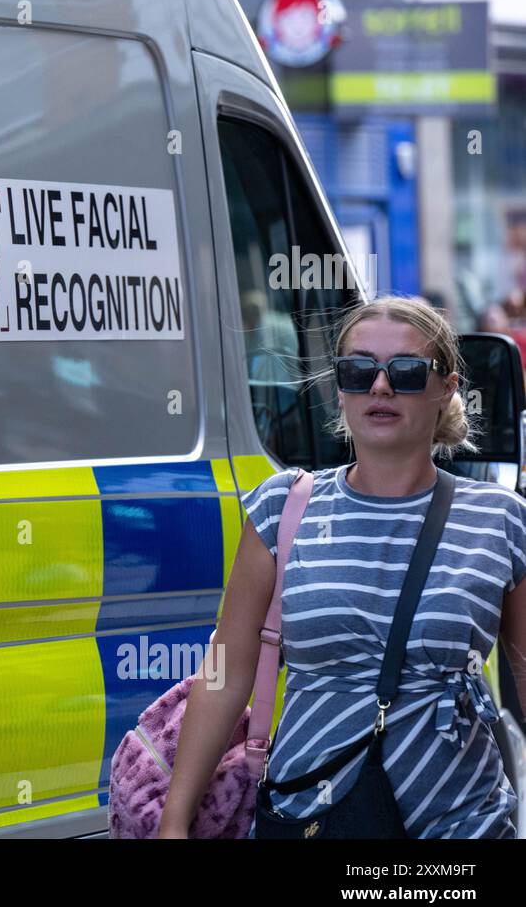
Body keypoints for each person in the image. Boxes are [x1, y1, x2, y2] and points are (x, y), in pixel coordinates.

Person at [158, 295, 526, 838]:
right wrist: (173, 821)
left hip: (462, 827)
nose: (380, 387)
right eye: (358, 371)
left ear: (446, 388)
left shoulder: (500, 520)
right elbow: (225, 675)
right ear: (341, 386)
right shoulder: (282, 508)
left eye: (405, 372)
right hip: (314, 818)